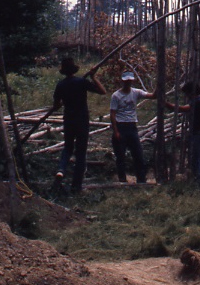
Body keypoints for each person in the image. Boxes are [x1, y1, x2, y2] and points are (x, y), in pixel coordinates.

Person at [47, 57, 106, 192]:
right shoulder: (81, 82)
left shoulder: (60, 85)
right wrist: (93, 77)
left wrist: (62, 102)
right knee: (81, 152)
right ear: (74, 69)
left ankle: (61, 169)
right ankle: (76, 185)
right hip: (82, 120)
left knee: (68, 147)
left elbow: (56, 106)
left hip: (69, 119)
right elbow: (103, 91)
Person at [109, 71, 155, 184]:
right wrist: (116, 131)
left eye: (130, 81)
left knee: (138, 154)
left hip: (132, 126)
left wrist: (158, 87)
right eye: (126, 81)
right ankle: (122, 180)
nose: (128, 83)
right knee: (120, 156)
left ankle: (141, 179)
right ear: (122, 81)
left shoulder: (136, 92)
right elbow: (112, 114)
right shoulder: (116, 96)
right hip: (121, 126)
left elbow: (152, 96)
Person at [166, 82, 200, 186]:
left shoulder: (199, 102)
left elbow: (183, 109)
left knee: (195, 160)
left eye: (187, 93)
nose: (186, 96)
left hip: (199, 134)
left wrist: (167, 104)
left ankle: (199, 184)